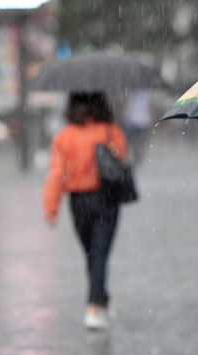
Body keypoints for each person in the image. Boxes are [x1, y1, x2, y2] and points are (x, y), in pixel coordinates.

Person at [43, 92, 128, 330]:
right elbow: (121, 160)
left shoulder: (64, 136)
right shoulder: (112, 132)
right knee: (99, 253)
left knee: (92, 254)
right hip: (107, 199)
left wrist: (51, 207)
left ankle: (97, 302)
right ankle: (97, 303)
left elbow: (57, 173)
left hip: (78, 202)